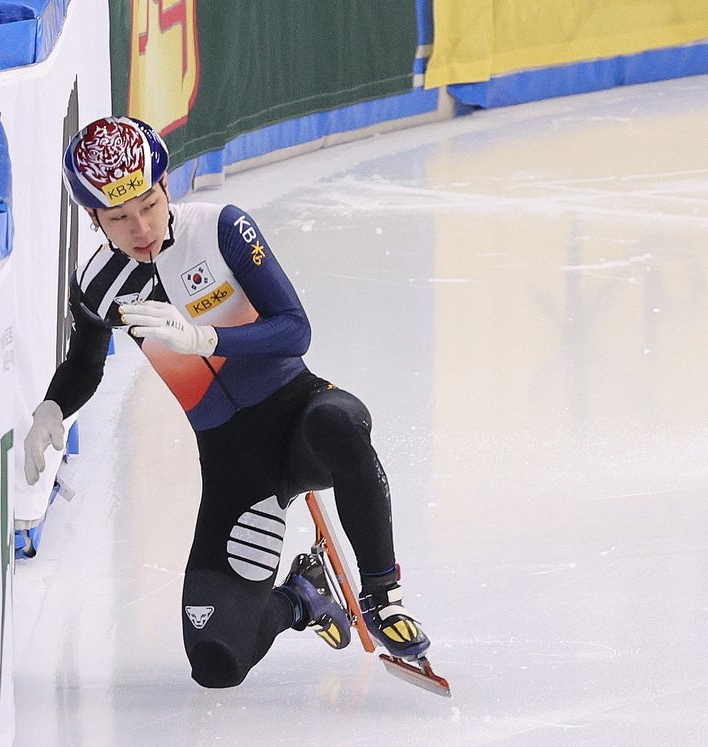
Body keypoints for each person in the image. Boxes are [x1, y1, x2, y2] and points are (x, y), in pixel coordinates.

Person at [22, 115, 430, 689]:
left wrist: (205, 338)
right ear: (94, 219)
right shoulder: (99, 285)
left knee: (342, 423)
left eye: (147, 203)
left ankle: (383, 597)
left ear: (166, 188)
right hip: (233, 460)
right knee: (215, 661)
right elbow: (85, 365)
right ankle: (301, 598)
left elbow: (295, 330)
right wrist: (52, 408)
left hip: (298, 413)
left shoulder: (221, 230)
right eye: (118, 217)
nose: (139, 226)